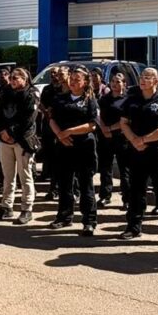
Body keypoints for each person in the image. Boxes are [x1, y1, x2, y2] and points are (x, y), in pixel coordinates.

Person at [120, 67, 158, 248]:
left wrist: (144, 139)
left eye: (147, 77)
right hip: (136, 150)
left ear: (156, 81)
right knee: (136, 190)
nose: (143, 79)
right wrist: (134, 140)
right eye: (141, 76)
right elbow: (123, 123)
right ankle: (133, 227)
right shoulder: (132, 100)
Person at [48, 66, 100, 236]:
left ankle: (89, 221)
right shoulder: (60, 98)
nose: (73, 82)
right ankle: (64, 217)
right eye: (72, 78)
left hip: (84, 146)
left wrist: (69, 131)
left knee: (86, 185)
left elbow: (92, 125)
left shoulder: (89, 100)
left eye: (77, 79)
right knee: (65, 183)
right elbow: (52, 119)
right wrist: (60, 135)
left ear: (85, 82)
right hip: (64, 146)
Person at [0, 67, 39, 224]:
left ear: (24, 79)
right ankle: (6, 206)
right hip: (5, 140)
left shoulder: (31, 94)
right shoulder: (6, 92)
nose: (12, 81)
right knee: (8, 175)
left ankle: (27, 208)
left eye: (16, 78)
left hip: (23, 140)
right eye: (11, 78)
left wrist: (12, 133)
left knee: (25, 175)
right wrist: (2, 131)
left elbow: (28, 119)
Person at [96, 72, 130, 209]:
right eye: (113, 81)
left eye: (118, 82)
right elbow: (97, 115)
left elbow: (128, 120)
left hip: (122, 138)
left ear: (124, 84)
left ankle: (127, 199)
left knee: (125, 170)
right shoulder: (104, 99)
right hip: (106, 138)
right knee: (105, 168)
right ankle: (105, 196)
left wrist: (110, 128)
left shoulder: (128, 100)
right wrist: (104, 129)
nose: (115, 84)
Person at [38, 66, 67, 200]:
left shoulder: (68, 91)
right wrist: (46, 111)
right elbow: (41, 103)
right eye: (54, 74)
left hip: (64, 130)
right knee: (52, 158)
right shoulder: (47, 89)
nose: (56, 76)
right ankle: (53, 189)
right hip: (49, 126)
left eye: (59, 74)